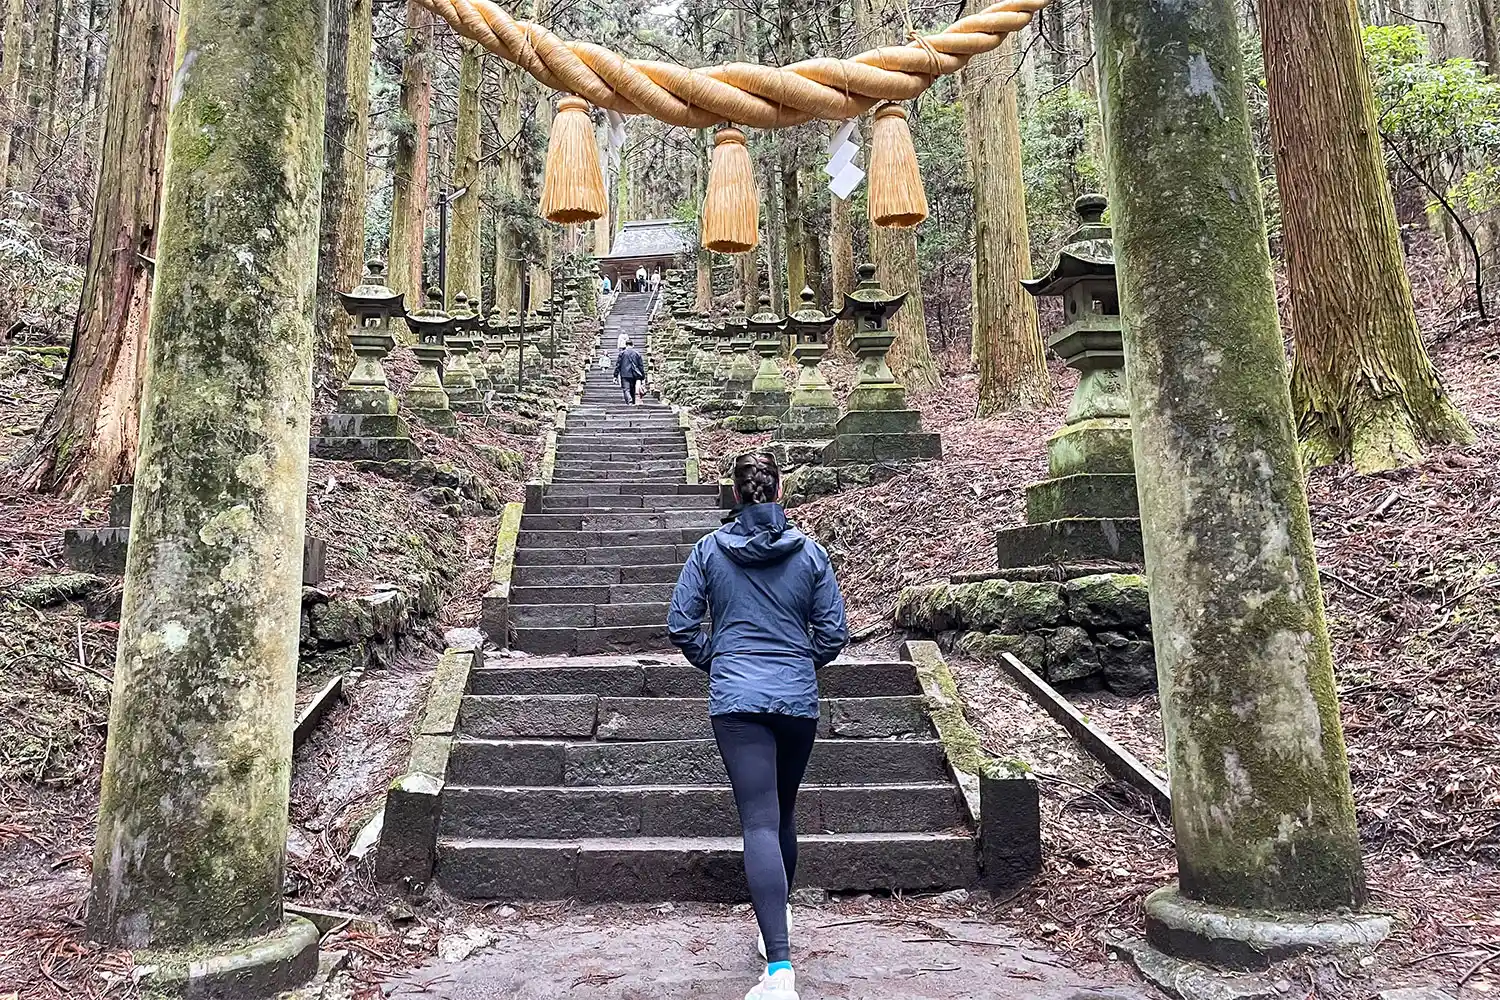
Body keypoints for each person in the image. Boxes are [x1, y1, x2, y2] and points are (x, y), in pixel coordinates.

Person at [667, 453, 848, 1000]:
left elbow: (681, 624)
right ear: (778, 492)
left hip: (738, 702)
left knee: (759, 823)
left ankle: (780, 969)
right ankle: (778, 930)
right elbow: (834, 634)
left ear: (736, 496)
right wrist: (795, 664)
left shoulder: (708, 551)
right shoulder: (811, 553)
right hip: (795, 699)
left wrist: (720, 660)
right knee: (782, 815)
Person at [613, 337, 646, 405]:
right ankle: (633, 402)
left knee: (626, 389)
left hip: (624, 374)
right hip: (634, 374)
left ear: (626, 345)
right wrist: (642, 377)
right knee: (633, 389)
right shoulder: (637, 354)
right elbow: (640, 366)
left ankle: (629, 400)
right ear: (632, 345)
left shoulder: (622, 353)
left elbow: (618, 365)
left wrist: (615, 375)